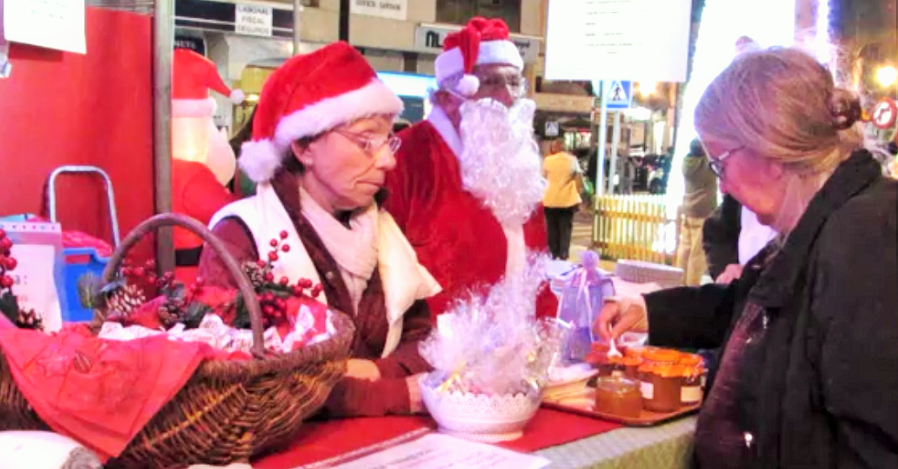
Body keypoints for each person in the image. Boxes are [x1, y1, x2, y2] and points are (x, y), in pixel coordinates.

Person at [596, 48, 898, 467]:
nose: (722, 186)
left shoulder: (866, 241)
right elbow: (749, 304)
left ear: (769, 150)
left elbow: (873, 443)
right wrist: (648, 309)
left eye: (721, 164)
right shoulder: (824, 225)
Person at [197, 42, 441, 418]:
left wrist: (372, 371)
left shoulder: (384, 228)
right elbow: (243, 377)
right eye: (366, 141)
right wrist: (385, 395)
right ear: (303, 147)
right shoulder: (242, 234)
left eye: (387, 140)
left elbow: (423, 341)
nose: (389, 160)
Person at [384, 17, 557, 318]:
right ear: (447, 98)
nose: (508, 96)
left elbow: (537, 273)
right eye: (490, 82)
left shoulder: (519, 168)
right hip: (431, 354)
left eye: (514, 82)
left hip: (519, 351)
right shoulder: (406, 159)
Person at [675, 138, 718, 286]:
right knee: (697, 254)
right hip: (703, 212)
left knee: (684, 250)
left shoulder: (686, 162)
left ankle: (679, 284)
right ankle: (692, 286)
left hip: (688, 210)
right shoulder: (707, 165)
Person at [542, 138, 582, 260]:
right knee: (565, 228)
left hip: (550, 200)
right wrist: (578, 194)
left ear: (554, 148)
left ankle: (553, 253)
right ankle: (563, 253)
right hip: (567, 200)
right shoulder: (572, 160)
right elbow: (578, 179)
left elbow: (542, 179)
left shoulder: (547, 161)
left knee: (551, 227)